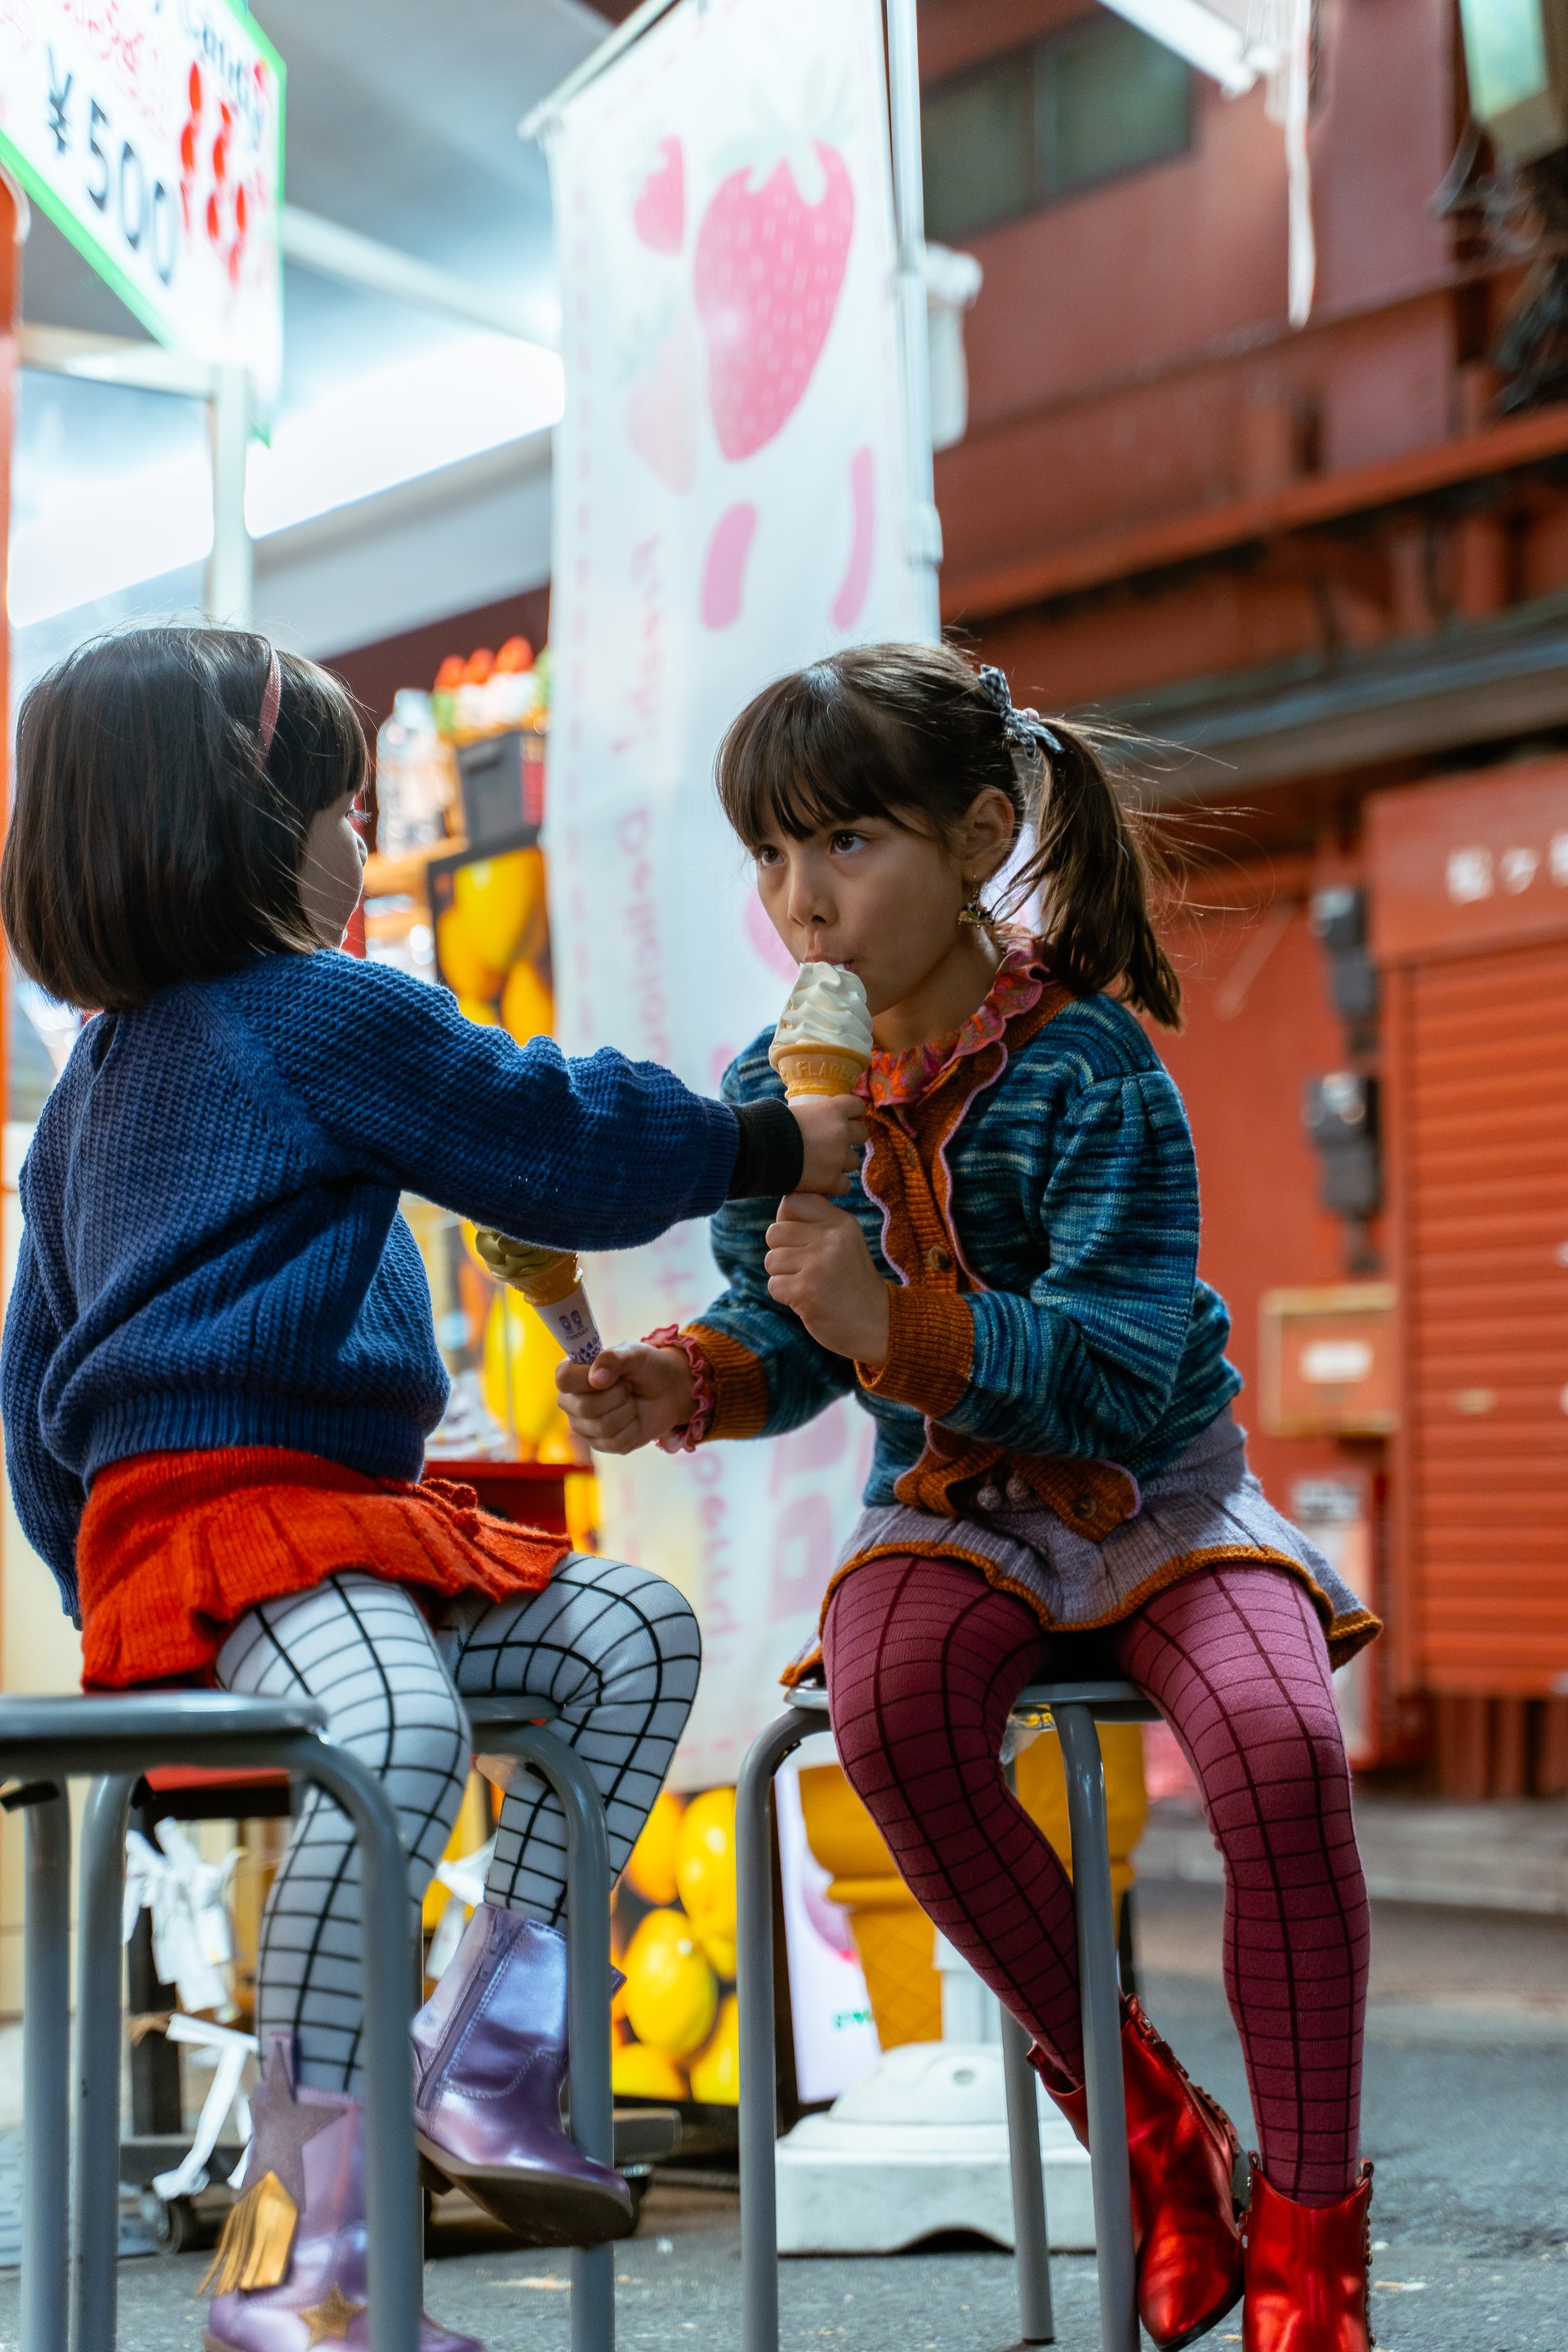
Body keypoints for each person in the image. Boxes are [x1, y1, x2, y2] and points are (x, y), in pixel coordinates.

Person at [0, 628, 863, 2352]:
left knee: (626, 1632)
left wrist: (111, 1603)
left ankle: (485, 2058)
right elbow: (550, 1133)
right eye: (348, 809)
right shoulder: (326, 1010)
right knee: (394, 1724)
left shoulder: (89, 1089)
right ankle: (292, 2250)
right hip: (230, 1525)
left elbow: (30, 1399)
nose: (367, 842)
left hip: (284, 1542)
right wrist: (772, 1144)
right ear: (247, 824)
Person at [559, 644, 1382, 2352]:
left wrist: (895, 1325)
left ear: (982, 838)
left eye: (847, 843)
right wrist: (684, 1379)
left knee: (1280, 1750)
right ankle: (1151, 2140)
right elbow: (779, 1330)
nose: (801, 900)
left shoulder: (1092, 1067)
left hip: (1158, 1495)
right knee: (888, 1713)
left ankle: (1313, 2242)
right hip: (946, 1506)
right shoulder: (768, 1091)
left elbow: (1127, 1367)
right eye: (770, 855)